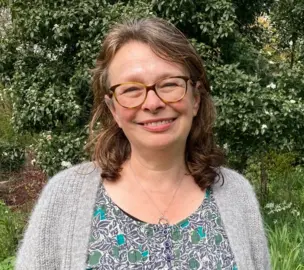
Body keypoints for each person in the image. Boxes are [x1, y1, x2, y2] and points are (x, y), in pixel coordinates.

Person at [15, 17, 270, 270]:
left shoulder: (237, 195)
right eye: (131, 90)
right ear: (113, 109)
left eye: (169, 84)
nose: (152, 103)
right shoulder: (64, 197)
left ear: (195, 99)